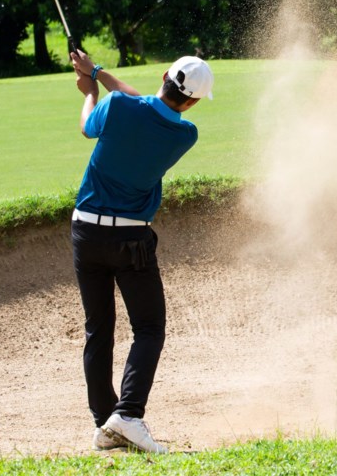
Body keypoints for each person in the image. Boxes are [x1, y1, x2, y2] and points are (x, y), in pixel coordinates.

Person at [68, 49, 214, 453]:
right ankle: (127, 415)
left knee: (99, 328)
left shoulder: (116, 107)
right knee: (148, 329)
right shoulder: (185, 134)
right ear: (195, 101)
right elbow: (141, 105)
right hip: (130, 238)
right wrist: (97, 73)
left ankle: (105, 423)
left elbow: (92, 124)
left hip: (85, 229)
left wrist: (89, 91)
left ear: (165, 74)